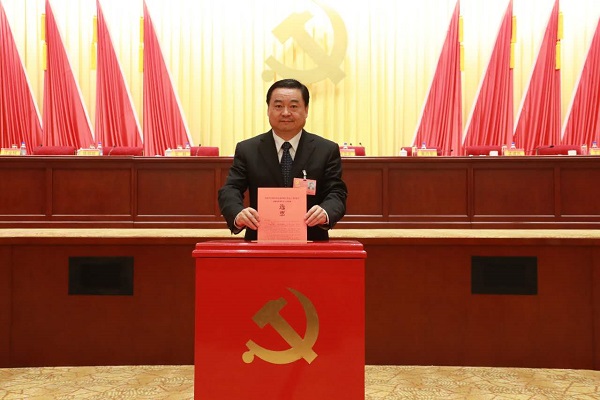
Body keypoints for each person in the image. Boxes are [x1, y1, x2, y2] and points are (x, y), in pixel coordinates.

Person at [218, 78, 347, 241]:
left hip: (312, 241)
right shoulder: (248, 149)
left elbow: (336, 192)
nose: (286, 113)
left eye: (293, 106)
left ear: (306, 110)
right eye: (278, 106)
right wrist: (238, 213)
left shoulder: (326, 150)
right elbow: (230, 189)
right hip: (260, 241)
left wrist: (326, 212)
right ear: (268, 110)